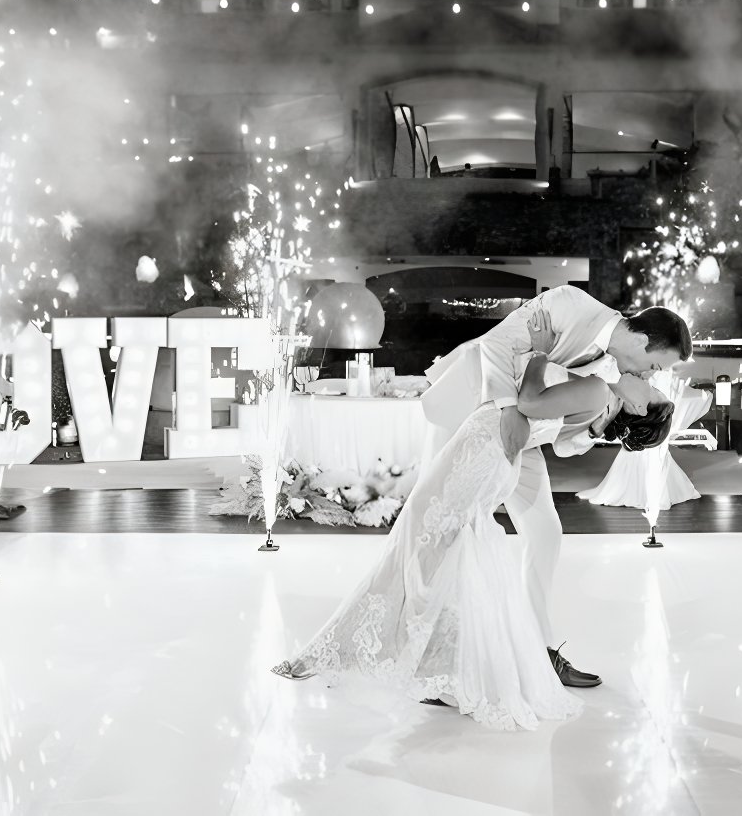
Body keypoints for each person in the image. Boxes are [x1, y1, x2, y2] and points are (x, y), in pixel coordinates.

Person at [272, 308, 675, 730]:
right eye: (654, 375)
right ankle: (438, 664)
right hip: (491, 451)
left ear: (635, 407)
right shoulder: (598, 380)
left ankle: (362, 649)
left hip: (483, 450)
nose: (651, 379)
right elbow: (540, 412)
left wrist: (538, 354)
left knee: (419, 541)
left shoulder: (597, 391)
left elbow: (528, 404)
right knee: (447, 551)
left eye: (652, 392)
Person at [419, 285, 690, 686]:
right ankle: (431, 661)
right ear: (644, 339)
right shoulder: (568, 304)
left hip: (521, 438)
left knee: (546, 534)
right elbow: (495, 346)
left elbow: (563, 434)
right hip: (469, 411)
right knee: (440, 535)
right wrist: (510, 409)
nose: (653, 376)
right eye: (656, 366)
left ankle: (538, 651)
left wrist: (596, 428)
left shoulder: (614, 369)